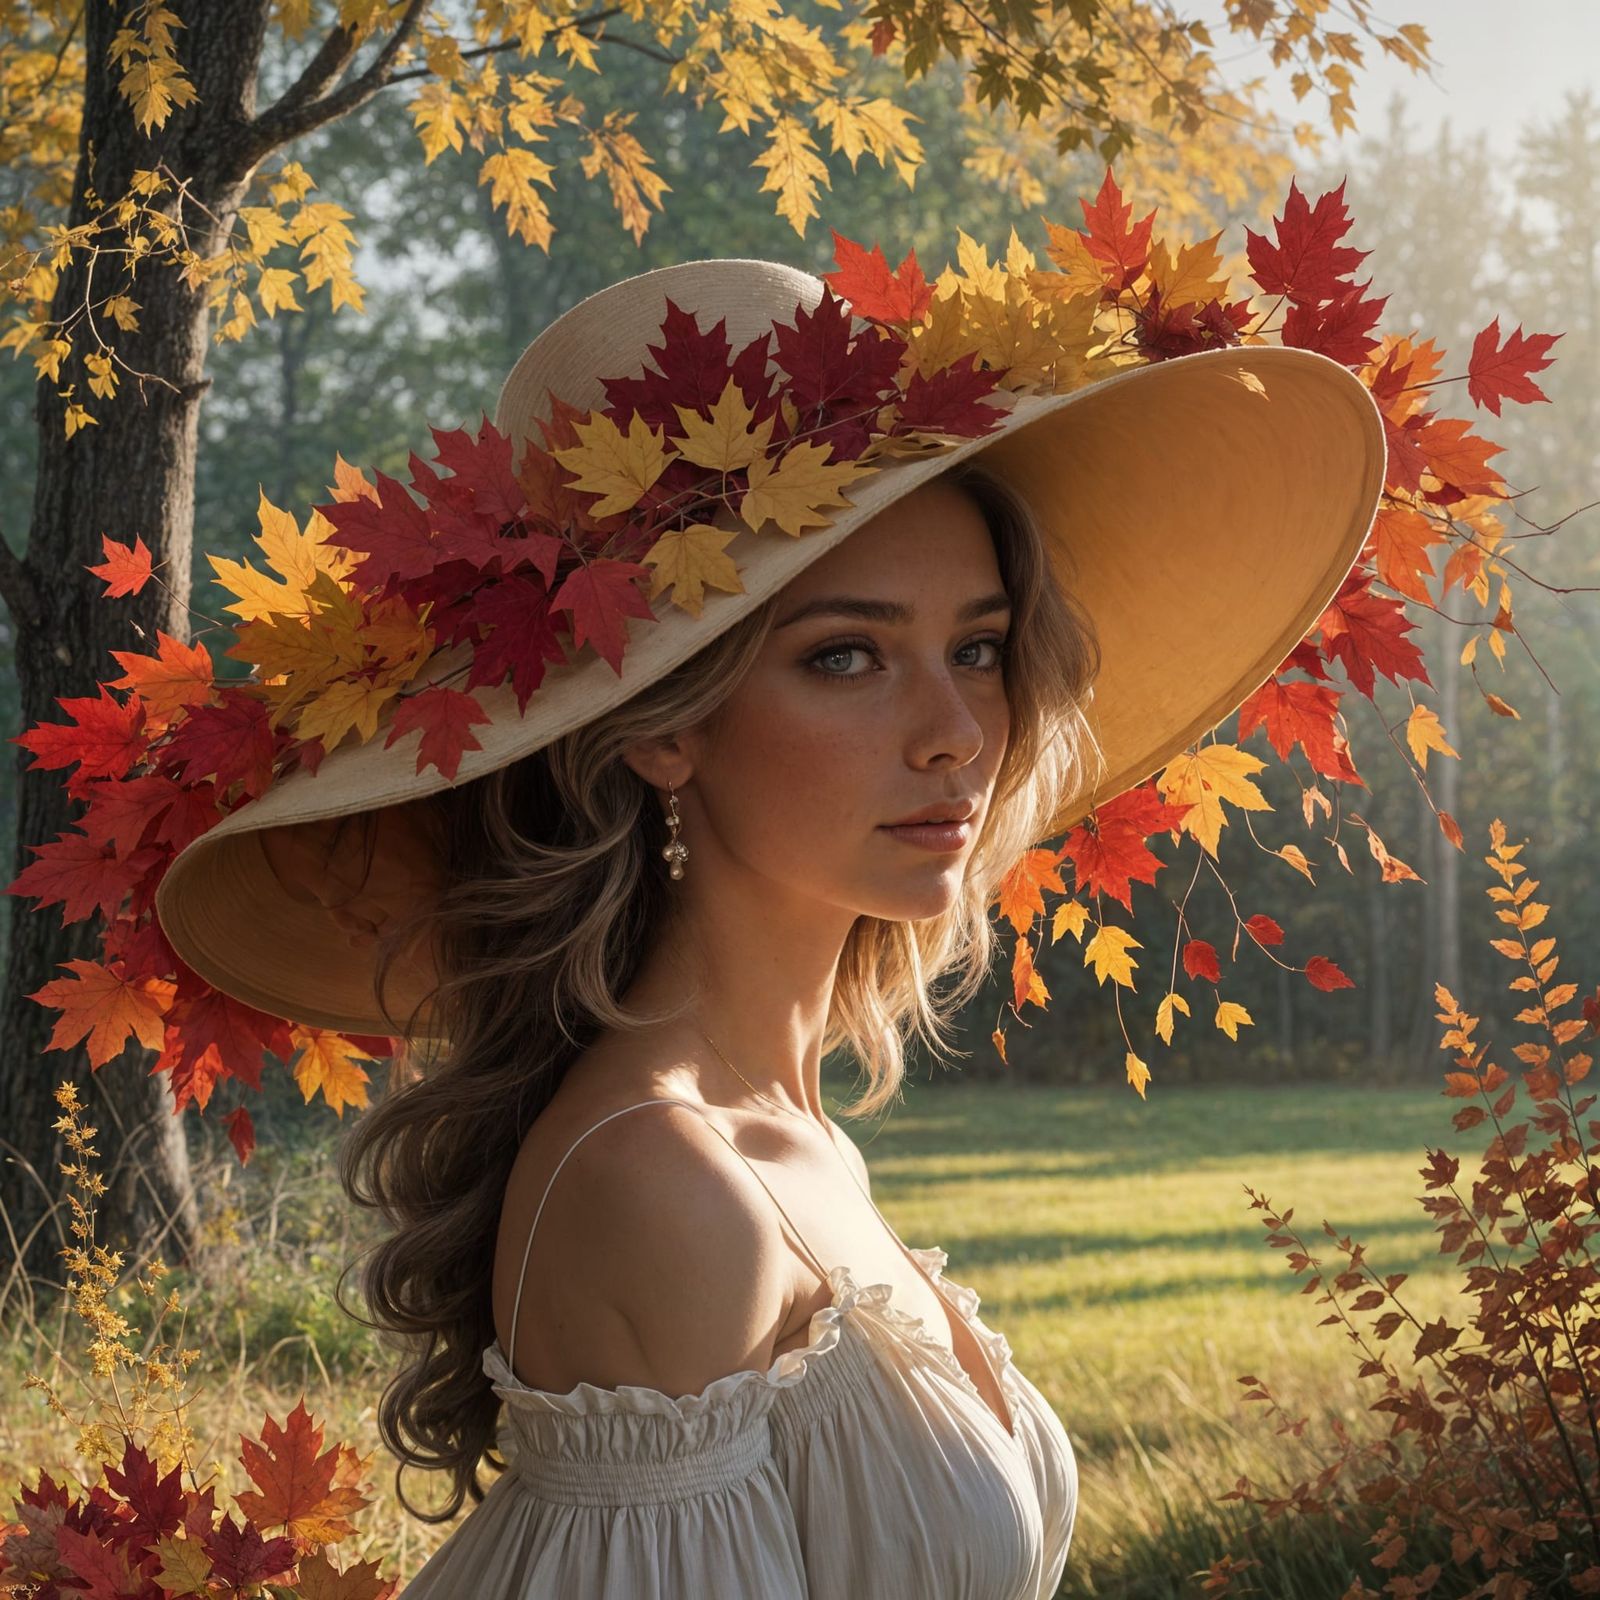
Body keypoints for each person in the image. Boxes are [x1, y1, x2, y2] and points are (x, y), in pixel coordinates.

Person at [155, 254, 1385, 1597]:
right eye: (845, 656)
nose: (956, 734)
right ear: (668, 728)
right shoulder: (663, 1184)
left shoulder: (788, 1139)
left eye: (976, 648)